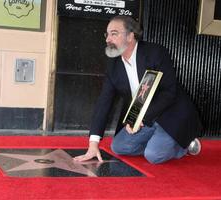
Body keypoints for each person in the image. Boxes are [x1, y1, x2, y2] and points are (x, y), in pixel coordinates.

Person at [73, 16, 202, 164]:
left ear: (130, 36)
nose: (108, 39)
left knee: (154, 156)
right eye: (107, 34)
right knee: (119, 147)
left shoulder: (155, 53)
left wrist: (142, 118)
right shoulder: (113, 65)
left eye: (114, 34)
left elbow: (169, 93)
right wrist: (93, 143)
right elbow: (104, 101)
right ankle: (158, 142)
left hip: (170, 113)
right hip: (142, 118)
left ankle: (185, 144)